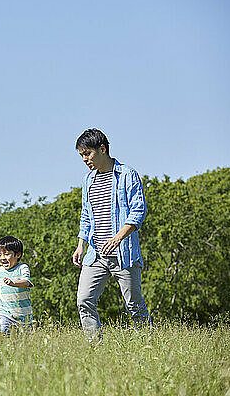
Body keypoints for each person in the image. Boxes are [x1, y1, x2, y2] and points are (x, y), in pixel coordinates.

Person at [72, 128, 151, 340]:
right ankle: (95, 347)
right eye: (81, 155)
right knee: (84, 300)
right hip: (96, 254)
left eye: (87, 153)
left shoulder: (127, 175)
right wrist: (81, 245)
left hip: (123, 254)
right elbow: (86, 215)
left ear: (102, 149)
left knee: (134, 305)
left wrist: (118, 238)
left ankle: (148, 344)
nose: (84, 159)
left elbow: (138, 211)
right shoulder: (88, 181)